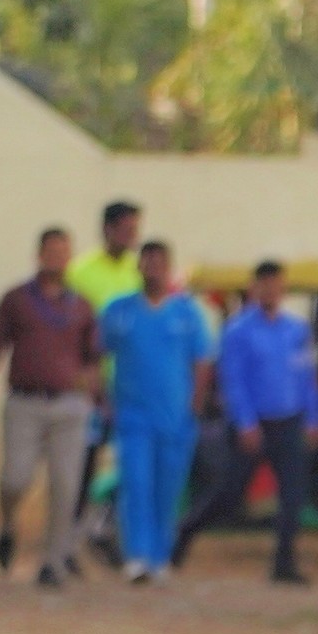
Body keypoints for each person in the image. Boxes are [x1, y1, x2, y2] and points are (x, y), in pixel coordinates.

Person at [0, 227, 102, 585]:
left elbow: (93, 357)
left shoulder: (82, 305)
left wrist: (91, 392)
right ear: (39, 254)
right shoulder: (16, 300)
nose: (57, 258)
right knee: (15, 477)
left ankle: (53, 562)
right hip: (25, 402)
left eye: (64, 251)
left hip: (69, 406)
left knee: (65, 485)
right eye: (51, 251)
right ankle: (8, 524)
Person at [98, 239, 215, 583]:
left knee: (168, 489)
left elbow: (202, 360)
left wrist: (194, 404)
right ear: (139, 266)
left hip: (175, 419)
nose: (153, 268)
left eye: (160, 262)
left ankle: (160, 556)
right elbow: (97, 356)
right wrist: (105, 400)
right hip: (133, 416)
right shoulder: (119, 311)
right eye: (147, 261)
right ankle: (137, 556)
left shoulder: (187, 313)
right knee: (136, 484)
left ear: (169, 267)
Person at [214, 260, 318, 585]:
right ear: (254, 288)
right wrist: (245, 422)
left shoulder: (296, 330)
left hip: (289, 420)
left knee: (292, 494)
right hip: (255, 423)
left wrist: (313, 418)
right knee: (230, 491)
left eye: (276, 285)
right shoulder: (238, 331)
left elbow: (306, 376)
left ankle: (284, 564)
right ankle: (184, 535)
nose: (271, 291)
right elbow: (234, 380)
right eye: (265, 285)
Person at [69, 201, 148, 562]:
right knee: (83, 464)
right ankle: (67, 544)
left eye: (136, 229)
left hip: (132, 388)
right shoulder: (80, 273)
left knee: (133, 465)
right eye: (127, 229)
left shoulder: (140, 272)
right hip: (90, 386)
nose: (132, 236)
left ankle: (108, 530)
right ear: (107, 229)